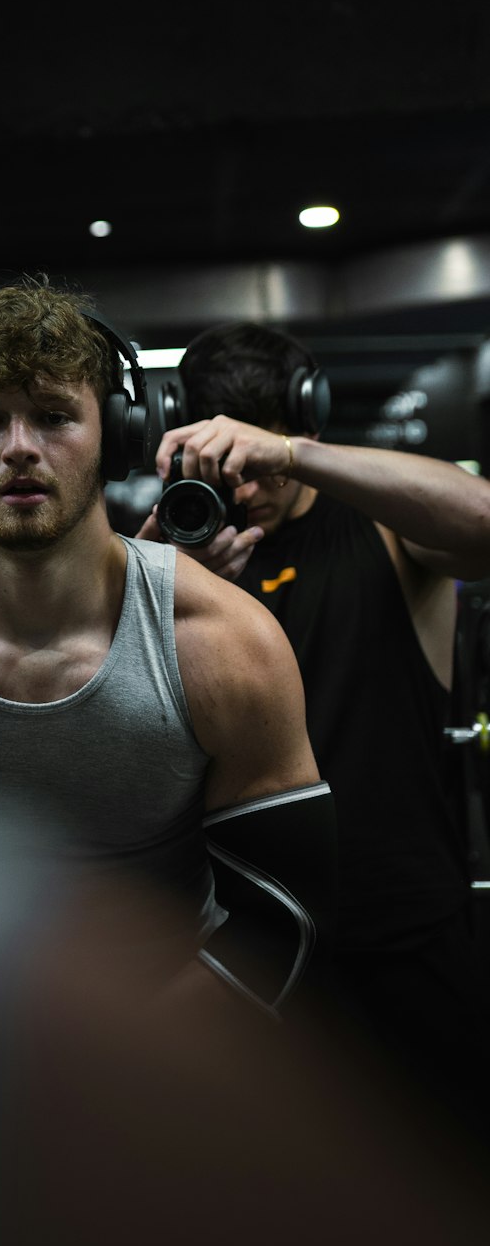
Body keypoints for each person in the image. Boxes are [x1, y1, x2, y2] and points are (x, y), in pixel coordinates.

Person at [0, 281, 337, 1021]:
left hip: (168, 1062)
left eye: (52, 416)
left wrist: (119, 1077)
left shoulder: (225, 644)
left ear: (116, 434)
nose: (18, 448)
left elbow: (282, 916)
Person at [138, 321, 490, 1127]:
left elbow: (483, 517)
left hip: (401, 935)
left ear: (306, 421)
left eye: (258, 459)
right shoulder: (174, 552)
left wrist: (289, 454)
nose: (247, 486)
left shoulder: (386, 528)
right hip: (241, 945)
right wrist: (158, 588)